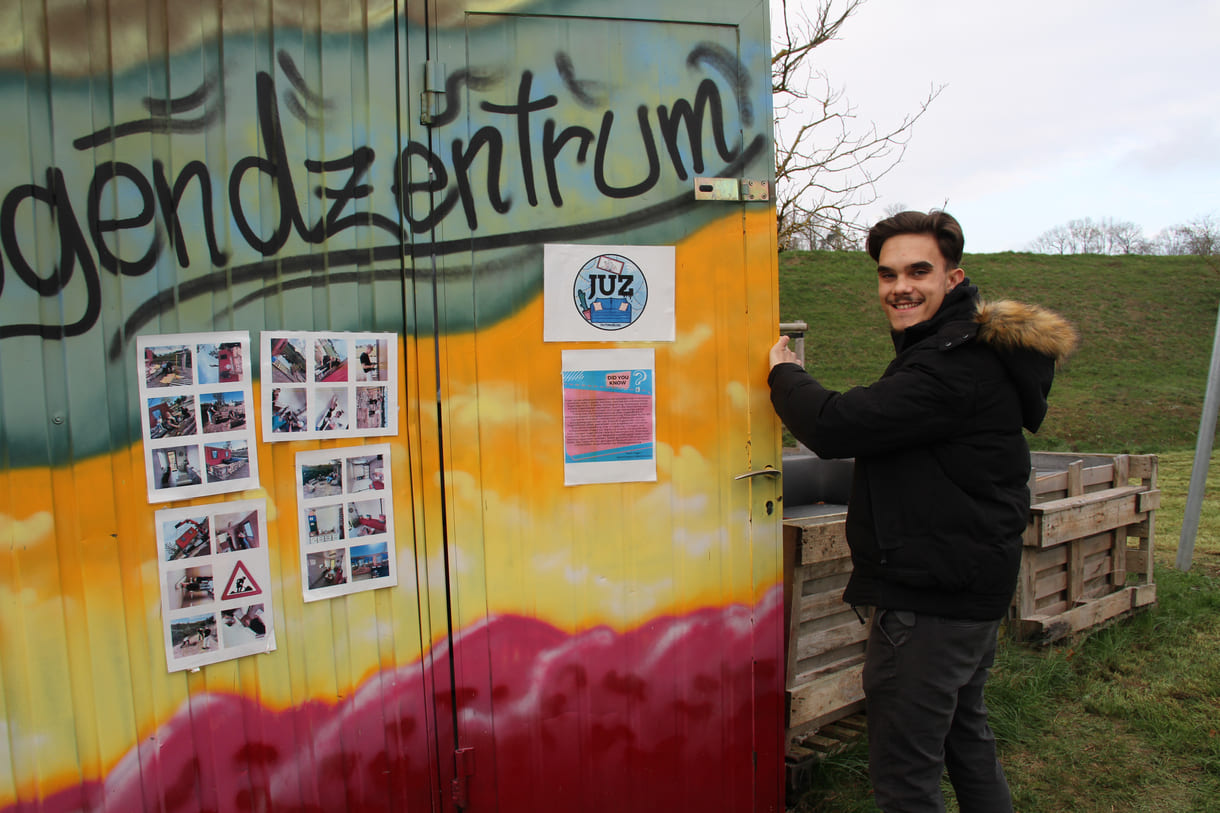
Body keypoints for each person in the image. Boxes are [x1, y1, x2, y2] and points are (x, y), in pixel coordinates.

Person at [767, 210, 1078, 813]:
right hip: (967, 586)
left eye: (918, 271)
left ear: (953, 279)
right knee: (967, 741)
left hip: (931, 600)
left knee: (905, 779)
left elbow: (837, 424)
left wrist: (784, 373)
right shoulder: (962, 351)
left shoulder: (953, 364)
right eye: (887, 275)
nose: (900, 287)